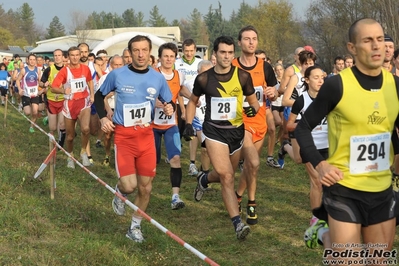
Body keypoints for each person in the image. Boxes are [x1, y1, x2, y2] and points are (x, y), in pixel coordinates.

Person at [295, 18, 399, 264]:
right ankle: (323, 233)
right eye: (368, 40)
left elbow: (392, 131)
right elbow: (303, 128)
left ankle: (323, 233)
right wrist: (321, 165)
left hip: (382, 190)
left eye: (381, 39)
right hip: (345, 189)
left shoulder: (395, 86)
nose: (377, 46)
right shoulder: (336, 85)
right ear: (352, 48)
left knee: (378, 262)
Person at [94, 35, 174, 243]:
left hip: (146, 136)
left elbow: (168, 99)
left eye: (144, 50)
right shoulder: (117, 75)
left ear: (149, 53)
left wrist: (168, 106)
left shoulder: (157, 78)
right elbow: (98, 96)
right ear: (129, 53)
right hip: (124, 136)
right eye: (136, 50)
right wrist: (103, 118)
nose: (140, 54)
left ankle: (135, 226)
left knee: (146, 187)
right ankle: (120, 192)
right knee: (129, 186)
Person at [183, 35, 260, 239]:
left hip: (236, 133)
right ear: (214, 54)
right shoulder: (204, 78)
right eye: (222, 52)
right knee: (227, 177)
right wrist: (189, 124)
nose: (226, 56)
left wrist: (253, 110)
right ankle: (237, 224)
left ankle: (204, 179)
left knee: (226, 175)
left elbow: (255, 103)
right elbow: (192, 102)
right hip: (213, 131)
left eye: (230, 52)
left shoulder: (243, 77)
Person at [232, 26, 279, 226]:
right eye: (247, 39)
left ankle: (238, 196)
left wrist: (272, 93)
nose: (251, 42)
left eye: (254, 39)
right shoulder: (232, 65)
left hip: (260, 122)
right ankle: (252, 203)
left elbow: (275, 91)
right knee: (254, 162)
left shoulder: (264, 66)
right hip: (241, 124)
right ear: (239, 42)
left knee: (252, 167)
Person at [153, 42, 186, 210]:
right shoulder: (152, 74)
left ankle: (175, 197)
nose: (168, 59)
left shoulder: (179, 75)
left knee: (175, 158)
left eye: (171, 56)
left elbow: (181, 90)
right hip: (151, 125)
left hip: (170, 124)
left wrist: (196, 97)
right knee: (153, 161)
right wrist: (156, 103)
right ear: (159, 58)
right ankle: (140, 191)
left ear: (175, 58)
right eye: (165, 56)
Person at [51, 46, 94, 169]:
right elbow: (53, 87)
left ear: (80, 55)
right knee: (70, 136)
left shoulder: (85, 69)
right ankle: (70, 155)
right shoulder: (64, 71)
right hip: (69, 105)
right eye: (72, 55)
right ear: (68, 57)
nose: (75, 57)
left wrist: (92, 94)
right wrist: (63, 90)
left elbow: (90, 81)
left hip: (83, 102)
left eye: (77, 55)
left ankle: (83, 152)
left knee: (86, 129)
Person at [175, 38, 202, 176]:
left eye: (191, 51)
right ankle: (174, 153)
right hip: (182, 102)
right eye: (186, 51)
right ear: (182, 50)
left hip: (197, 102)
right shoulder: (177, 64)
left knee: (194, 131)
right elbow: (177, 87)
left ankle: (192, 163)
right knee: (179, 130)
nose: (189, 53)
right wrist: (183, 109)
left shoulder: (200, 63)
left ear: (195, 50)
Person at [98, 55, 124, 166]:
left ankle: (121, 158)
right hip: (109, 108)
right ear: (110, 65)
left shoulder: (127, 78)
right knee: (108, 136)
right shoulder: (104, 78)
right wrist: (108, 110)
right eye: (115, 65)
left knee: (121, 136)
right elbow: (101, 97)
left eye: (120, 65)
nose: (118, 67)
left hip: (122, 110)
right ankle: (107, 155)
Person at [40, 49, 66, 147]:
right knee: (52, 127)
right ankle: (51, 144)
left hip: (63, 100)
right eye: (55, 55)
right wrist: (44, 84)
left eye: (59, 55)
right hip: (51, 100)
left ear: (63, 57)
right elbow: (41, 83)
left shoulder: (67, 69)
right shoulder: (49, 69)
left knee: (62, 124)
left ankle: (60, 144)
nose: (57, 57)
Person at [16, 54, 42, 133]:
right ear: (27, 60)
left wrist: (43, 88)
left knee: (35, 111)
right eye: (30, 59)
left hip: (35, 94)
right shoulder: (24, 70)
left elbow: (40, 82)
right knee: (27, 112)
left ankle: (32, 126)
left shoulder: (38, 70)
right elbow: (17, 80)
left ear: (36, 61)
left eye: (34, 59)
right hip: (26, 94)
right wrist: (20, 89)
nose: (32, 61)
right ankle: (30, 114)